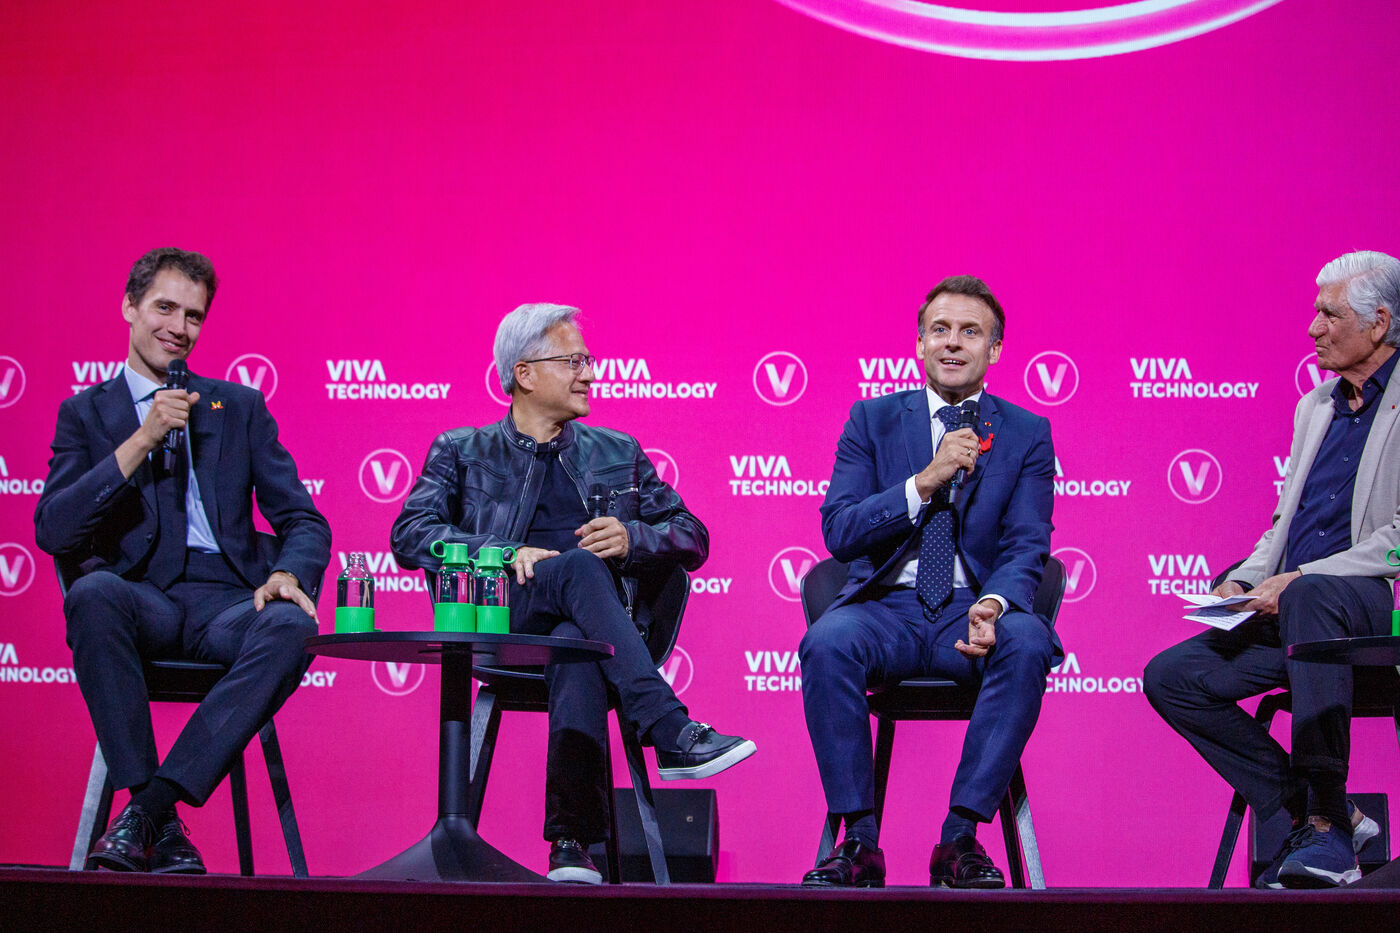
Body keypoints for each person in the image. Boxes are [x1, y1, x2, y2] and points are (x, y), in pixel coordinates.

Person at [390, 302, 755, 884]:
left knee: (575, 645)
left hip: (591, 629)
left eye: (589, 360)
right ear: (525, 374)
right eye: (574, 361)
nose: (590, 373)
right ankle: (668, 727)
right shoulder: (462, 449)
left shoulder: (618, 451)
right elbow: (411, 533)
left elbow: (693, 535)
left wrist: (633, 538)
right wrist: (502, 552)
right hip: (500, 616)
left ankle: (570, 845)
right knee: (579, 568)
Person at [35, 247, 331, 873]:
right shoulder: (85, 414)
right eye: (165, 308)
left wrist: (286, 575)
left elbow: (304, 520)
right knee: (91, 595)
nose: (179, 327)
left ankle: (148, 811)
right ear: (130, 306)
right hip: (142, 598)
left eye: (194, 316)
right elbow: (54, 530)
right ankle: (161, 824)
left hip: (228, 601)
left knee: (292, 626)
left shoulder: (238, 407)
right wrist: (142, 438)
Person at [1145, 250, 1400, 889]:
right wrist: (1248, 577)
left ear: (1378, 324)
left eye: (1329, 314)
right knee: (1172, 676)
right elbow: (1283, 523)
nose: (1313, 328)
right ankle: (1319, 811)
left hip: (1375, 608)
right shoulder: (1316, 405)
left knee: (1314, 595)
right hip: (1301, 607)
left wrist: (1302, 578)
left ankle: (1326, 829)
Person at [799, 276, 1057, 888]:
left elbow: (1027, 544)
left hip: (970, 611)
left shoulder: (1026, 433)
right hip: (883, 610)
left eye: (970, 332)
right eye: (940, 330)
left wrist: (994, 603)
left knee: (1028, 641)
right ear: (919, 344)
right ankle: (858, 841)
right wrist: (924, 482)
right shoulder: (872, 420)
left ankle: (961, 838)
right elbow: (839, 529)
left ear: (994, 349)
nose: (952, 342)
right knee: (827, 642)